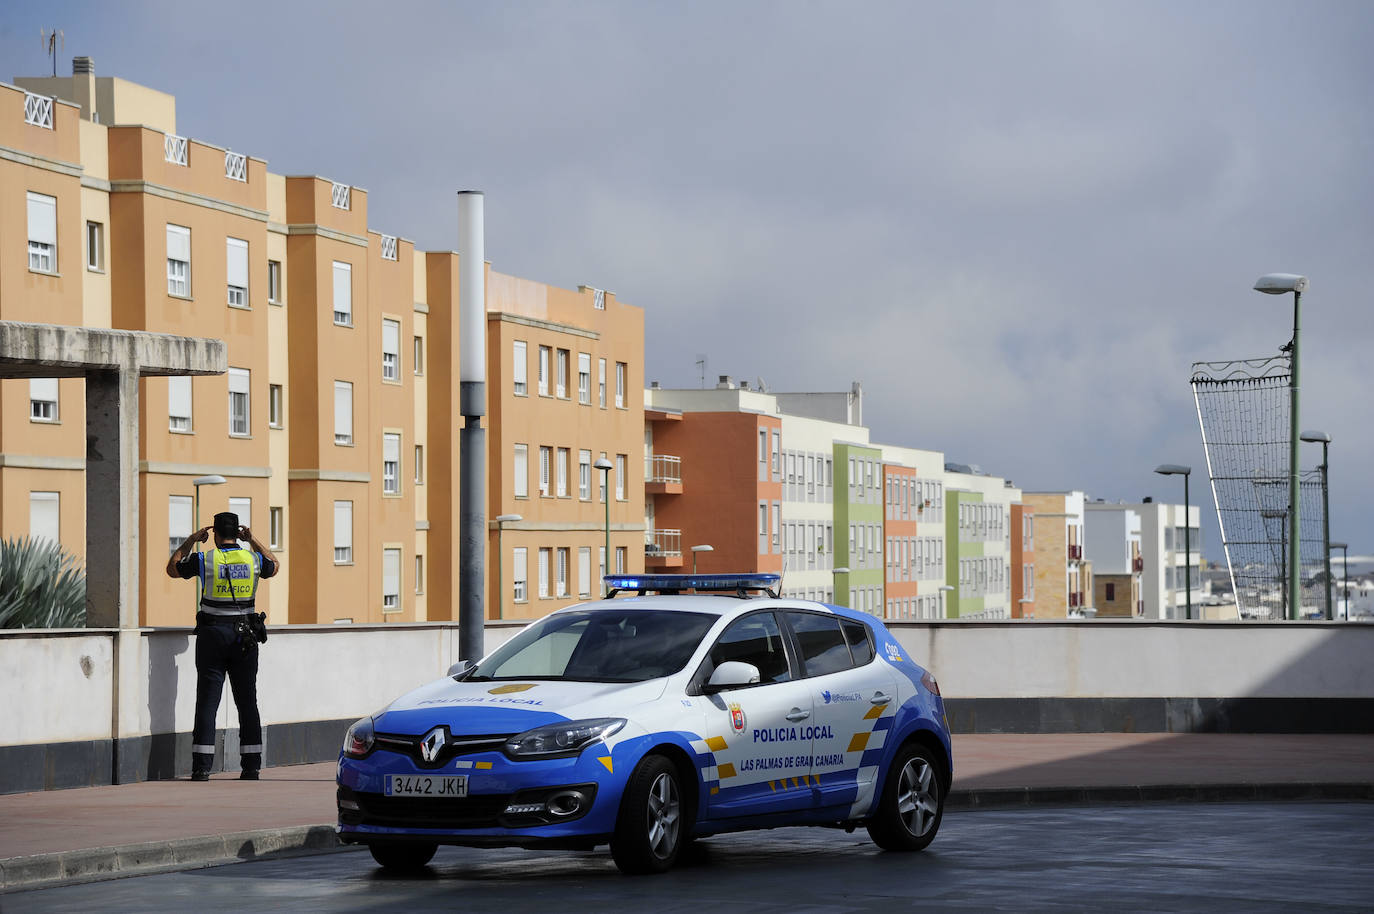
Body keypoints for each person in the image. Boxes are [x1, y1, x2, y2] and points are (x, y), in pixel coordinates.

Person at [166, 511, 278, 781]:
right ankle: (251, 766)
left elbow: (172, 568)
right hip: (245, 637)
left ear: (214, 534)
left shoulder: (206, 558)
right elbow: (274, 565)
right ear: (238, 533)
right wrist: (253, 541)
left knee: (207, 701)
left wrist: (191, 540)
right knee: (247, 702)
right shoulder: (252, 559)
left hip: (212, 635)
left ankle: (202, 767)